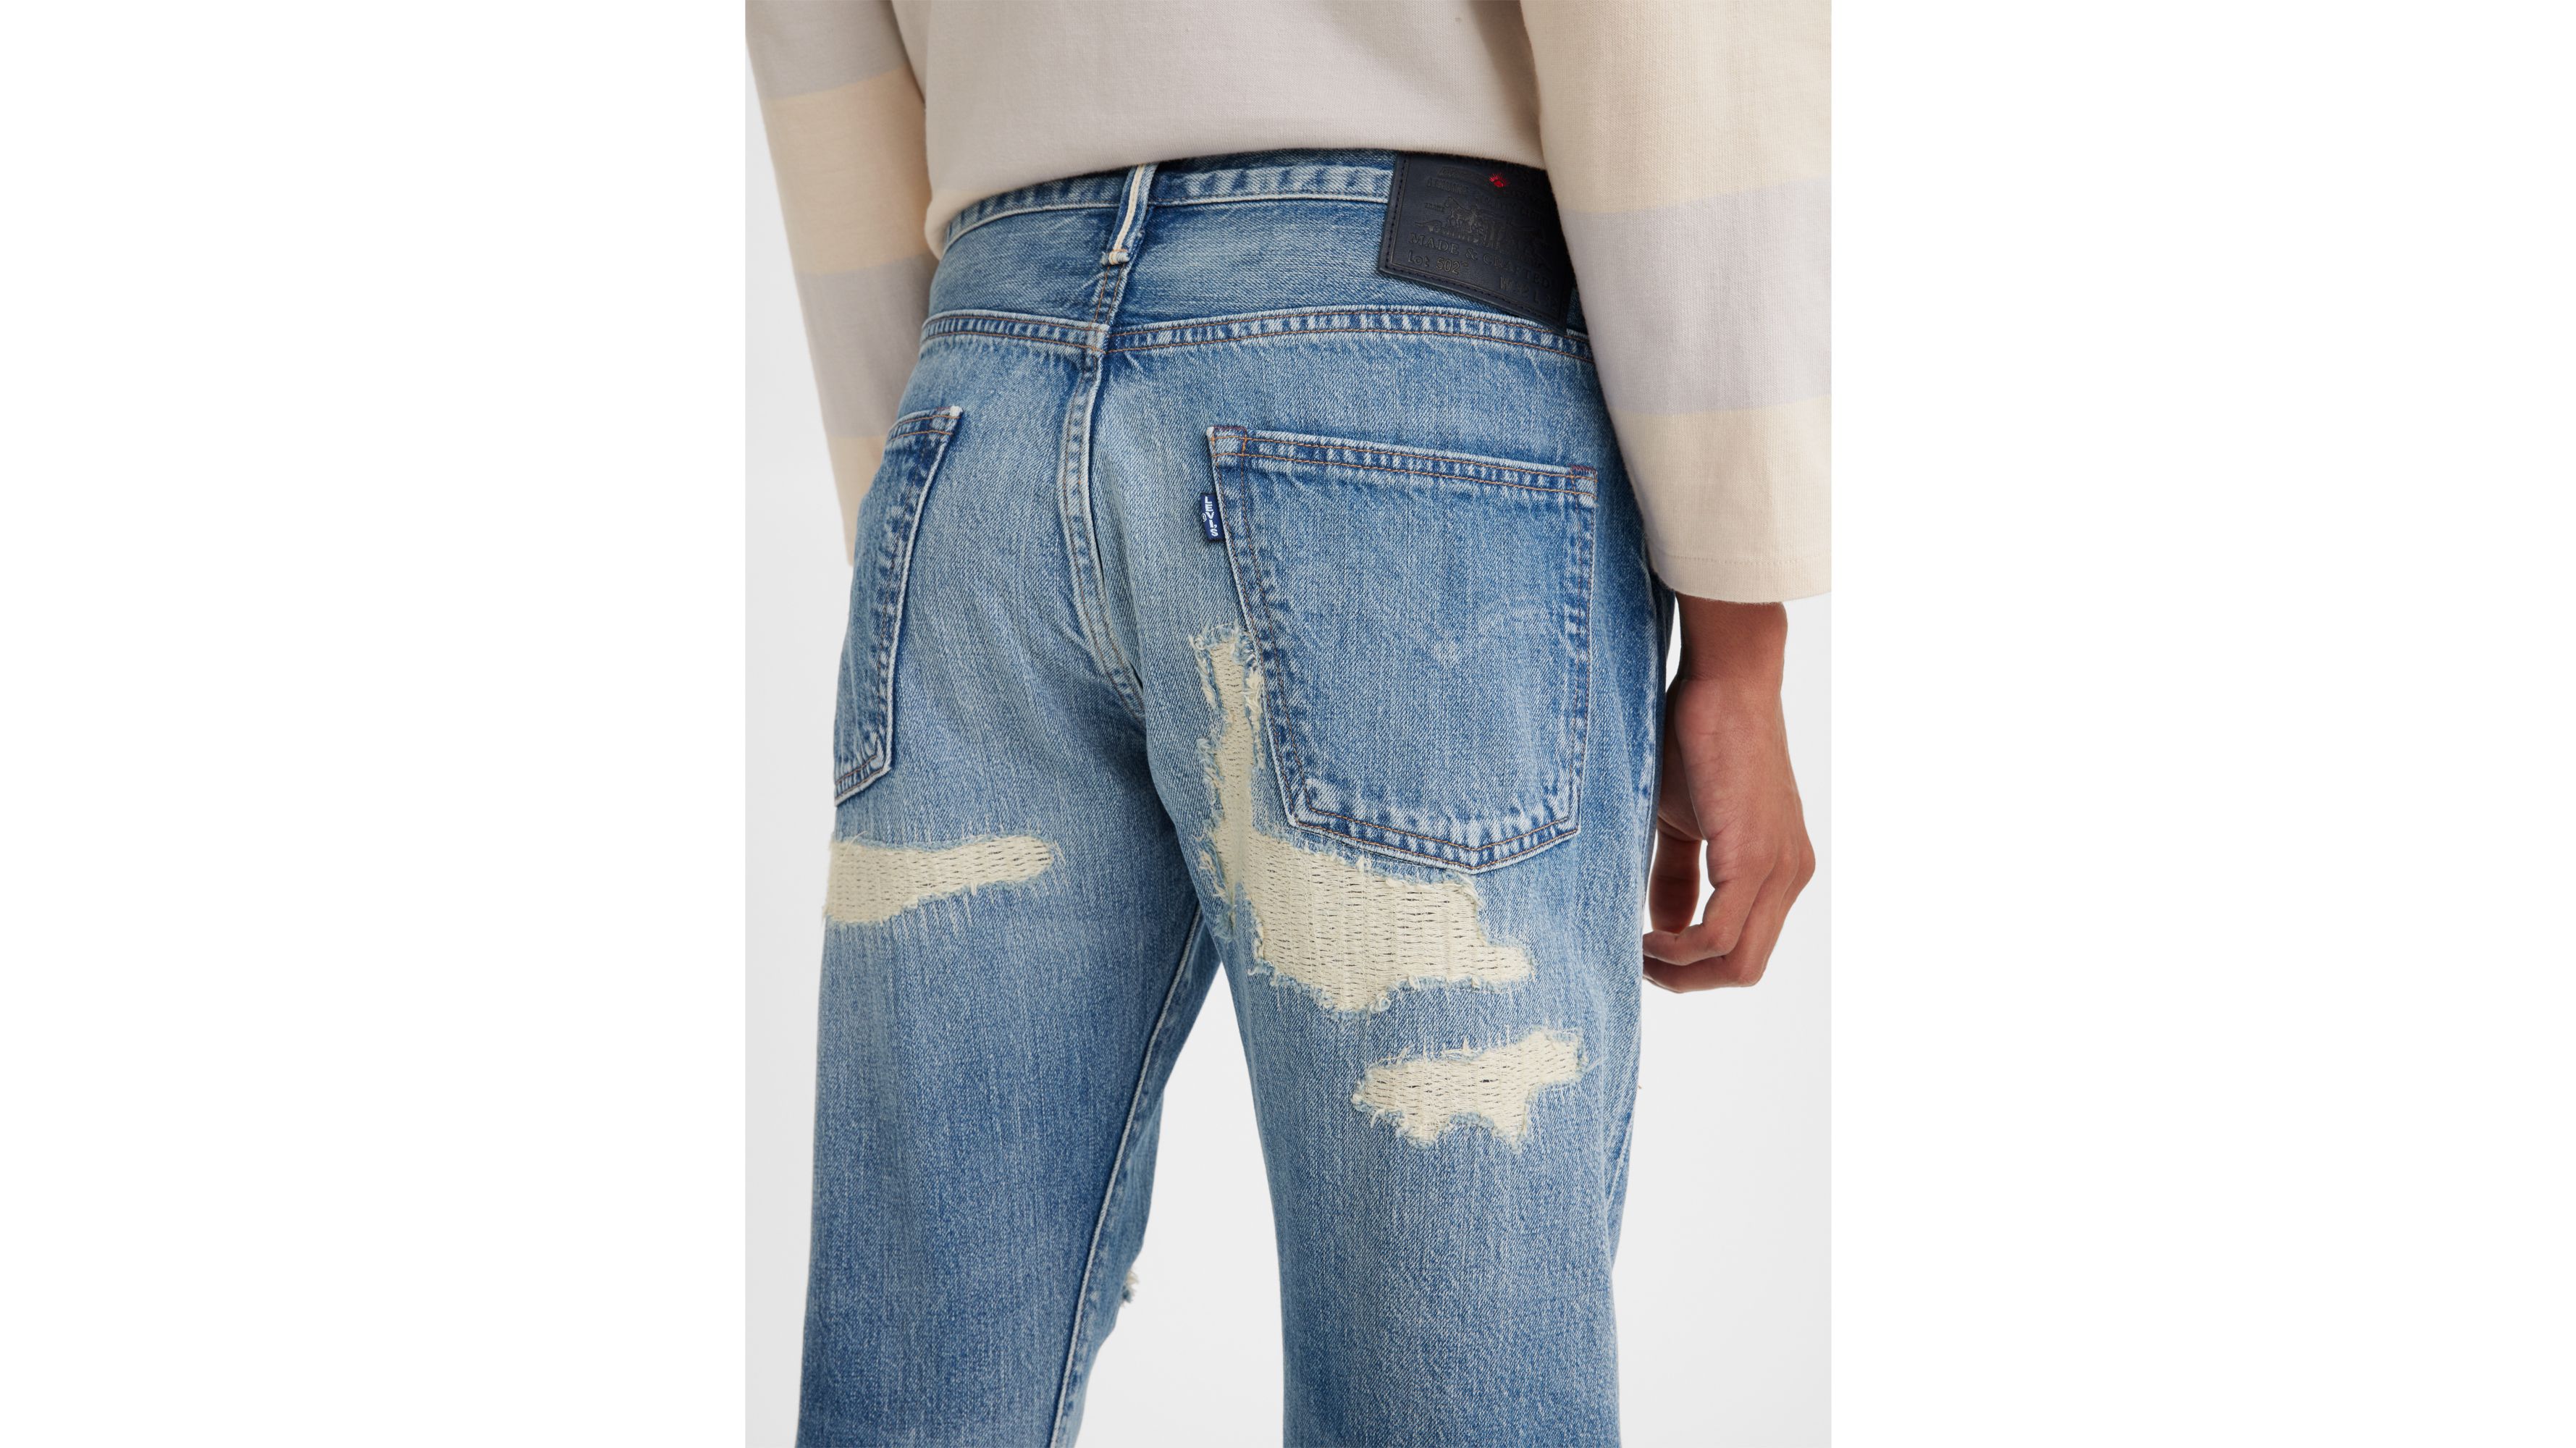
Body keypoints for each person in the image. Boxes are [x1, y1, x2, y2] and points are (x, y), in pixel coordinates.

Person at [749, 3, 1824, 1443]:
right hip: (1398, 369)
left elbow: (814, 43)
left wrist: (920, 486)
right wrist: (1739, 638)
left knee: (920, 1368)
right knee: (1444, 1375)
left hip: (976, 395)